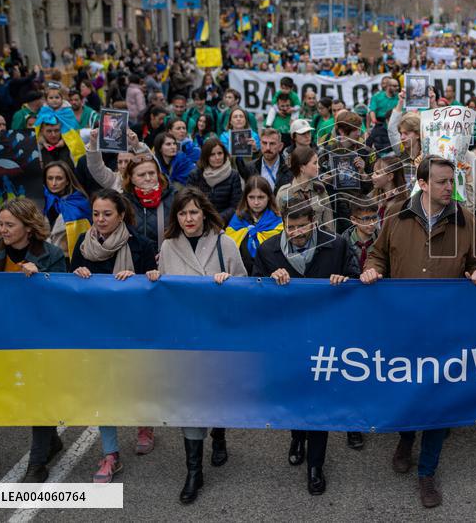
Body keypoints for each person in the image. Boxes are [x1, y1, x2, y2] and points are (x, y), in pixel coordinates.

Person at [360, 156, 476, 509]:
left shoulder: (466, 219)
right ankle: (405, 438)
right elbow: (378, 255)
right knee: (408, 391)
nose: (451, 188)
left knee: (437, 398)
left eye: (453, 181)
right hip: (403, 325)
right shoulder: (397, 214)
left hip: (445, 329)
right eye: (444, 182)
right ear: (424, 183)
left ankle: (427, 471)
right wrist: (372, 270)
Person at [252, 198, 360, 495]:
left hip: (324, 337)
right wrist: (268, 279)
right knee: (292, 392)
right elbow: (253, 288)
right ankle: (296, 436)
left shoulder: (335, 245)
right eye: (291, 227)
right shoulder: (267, 250)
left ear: (314, 222)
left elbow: (356, 280)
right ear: (283, 225)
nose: (297, 233)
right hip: (286, 338)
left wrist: (346, 279)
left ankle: (316, 465)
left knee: (318, 400)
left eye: (302, 226)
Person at [147, 188, 246, 505]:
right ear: (175, 217)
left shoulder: (225, 243)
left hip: (218, 336)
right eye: (182, 213)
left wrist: (228, 282)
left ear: (204, 212)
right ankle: (194, 472)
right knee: (190, 400)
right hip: (184, 339)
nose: (188, 219)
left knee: (216, 394)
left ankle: (219, 434)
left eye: (193, 212)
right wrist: (153, 277)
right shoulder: (168, 246)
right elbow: (164, 296)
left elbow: (245, 285)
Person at [70, 189, 158, 483]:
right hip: (96, 330)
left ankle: (144, 423)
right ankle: (111, 454)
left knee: (137, 381)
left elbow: (154, 288)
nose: (100, 219)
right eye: (96, 213)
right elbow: (70, 287)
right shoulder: (82, 245)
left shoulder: (142, 245)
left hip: (133, 330)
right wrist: (77, 274)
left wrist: (138, 281)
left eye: (107, 213)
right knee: (102, 389)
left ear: (121, 215)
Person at [0, 198, 67, 482]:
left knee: (38, 396)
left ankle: (36, 464)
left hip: (41, 338)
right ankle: (51, 441)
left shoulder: (51, 254)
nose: (2, 229)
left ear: (28, 228)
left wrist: (42, 279)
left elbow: (63, 296)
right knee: (26, 394)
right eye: (0, 224)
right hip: (9, 337)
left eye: (9, 225)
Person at [225, 175, 283, 275]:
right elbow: (228, 248)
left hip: (270, 275)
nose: (256, 202)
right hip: (242, 276)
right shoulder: (238, 219)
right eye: (251, 197)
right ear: (245, 198)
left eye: (261, 197)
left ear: (269, 197)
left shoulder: (277, 220)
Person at [42, 160, 91, 260]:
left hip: (70, 257)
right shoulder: (40, 199)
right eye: (50, 178)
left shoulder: (79, 201)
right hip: (42, 256)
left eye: (59, 178)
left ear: (67, 181)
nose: (54, 183)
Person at [276, 146, 335, 230]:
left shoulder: (319, 189)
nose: (318, 167)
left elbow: (329, 223)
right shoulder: (284, 193)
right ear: (302, 167)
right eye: (315, 163)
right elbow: (280, 227)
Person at [123, 157, 175, 250]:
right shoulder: (123, 201)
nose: (148, 178)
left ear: (158, 174)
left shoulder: (174, 197)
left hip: (167, 257)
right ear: (131, 178)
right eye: (141, 175)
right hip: (135, 260)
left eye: (151, 173)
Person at [186, 138, 243, 222]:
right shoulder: (195, 175)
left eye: (220, 153)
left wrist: (218, 219)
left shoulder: (233, 175)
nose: (217, 157)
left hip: (225, 223)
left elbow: (236, 205)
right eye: (212, 154)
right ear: (206, 156)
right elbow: (188, 201)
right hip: (200, 221)